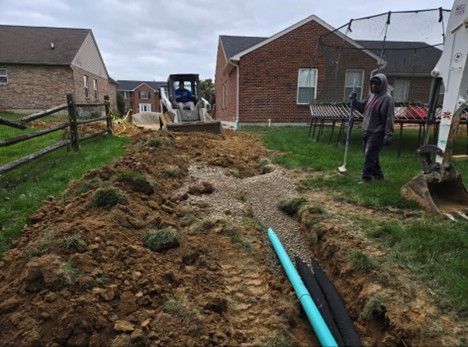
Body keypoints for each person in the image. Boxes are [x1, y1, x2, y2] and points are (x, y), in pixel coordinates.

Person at [350, 73, 394, 182]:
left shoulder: (387, 99)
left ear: (382, 84)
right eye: (372, 83)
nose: (374, 85)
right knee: (372, 155)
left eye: (377, 83)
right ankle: (379, 176)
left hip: (377, 132)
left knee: (369, 155)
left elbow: (389, 118)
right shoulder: (371, 96)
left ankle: (366, 178)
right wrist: (354, 100)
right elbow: (362, 108)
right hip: (367, 130)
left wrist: (389, 134)